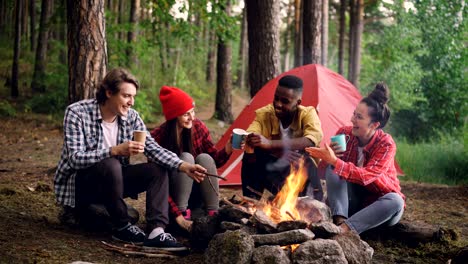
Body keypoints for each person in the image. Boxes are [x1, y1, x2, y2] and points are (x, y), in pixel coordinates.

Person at [54, 68, 207, 251]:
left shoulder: (131, 117)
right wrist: (115, 150)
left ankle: (156, 232)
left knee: (156, 169)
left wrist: (183, 166)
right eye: (126, 96)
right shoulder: (77, 112)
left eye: (133, 97)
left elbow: (153, 149)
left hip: (114, 182)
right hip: (82, 186)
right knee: (110, 163)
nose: (131, 102)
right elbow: (74, 159)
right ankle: (122, 226)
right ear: (109, 93)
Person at [305, 83, 405, 234]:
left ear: (374, 125)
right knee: (334, 168)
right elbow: (324, 174)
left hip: (379, 208)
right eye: (354, 114)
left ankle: (345, 230)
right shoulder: (344, 134)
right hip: (351, 203)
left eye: (359, 117)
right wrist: (326, 159)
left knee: (396, 201)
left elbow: (367, 176)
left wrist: (335, 161)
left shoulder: (386, 144)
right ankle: (340, 221)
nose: (352, 120)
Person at [151, 86, 233, 221]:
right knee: (187, 158)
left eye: (192, 112)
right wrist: (176, 212)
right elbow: (157, 183)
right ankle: (182, 214)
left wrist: (228, 148)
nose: (192, 117)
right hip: (173, 200)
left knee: (205, 157)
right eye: (186, 114)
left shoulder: (198, 127)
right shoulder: (158, 137)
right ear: (173, 116)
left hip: (197, 195)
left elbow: (214, 161)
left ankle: (213, 213)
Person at [241, 75, 323, 200]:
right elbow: (251, 136)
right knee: (254, 152)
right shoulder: (265, 114)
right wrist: (277, 151)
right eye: (276, 98)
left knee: (304, 158)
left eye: (285, 101)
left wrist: (270, 144)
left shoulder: (307, 114)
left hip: (304, 180)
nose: (278, 104)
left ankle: (302, 204)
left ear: (298, 103)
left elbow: (311, 140)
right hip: (278, 174)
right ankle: (250, 199)